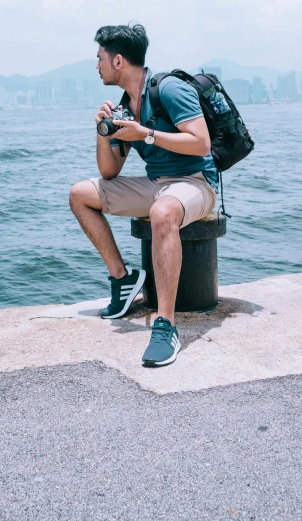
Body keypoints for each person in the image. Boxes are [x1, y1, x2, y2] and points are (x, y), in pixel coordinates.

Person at [69, 24, 218, 367]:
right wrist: (103, 131)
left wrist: (146, 134)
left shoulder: (169, 88)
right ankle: (123, 280)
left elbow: (201, 142)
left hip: (195, 182)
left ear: (118, 60)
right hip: (156, 183)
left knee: (163, 211)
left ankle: (165, 326)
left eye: (100, 58)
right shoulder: (124, 105)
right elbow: (109, 173)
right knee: (80, 194)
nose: (97, 65)